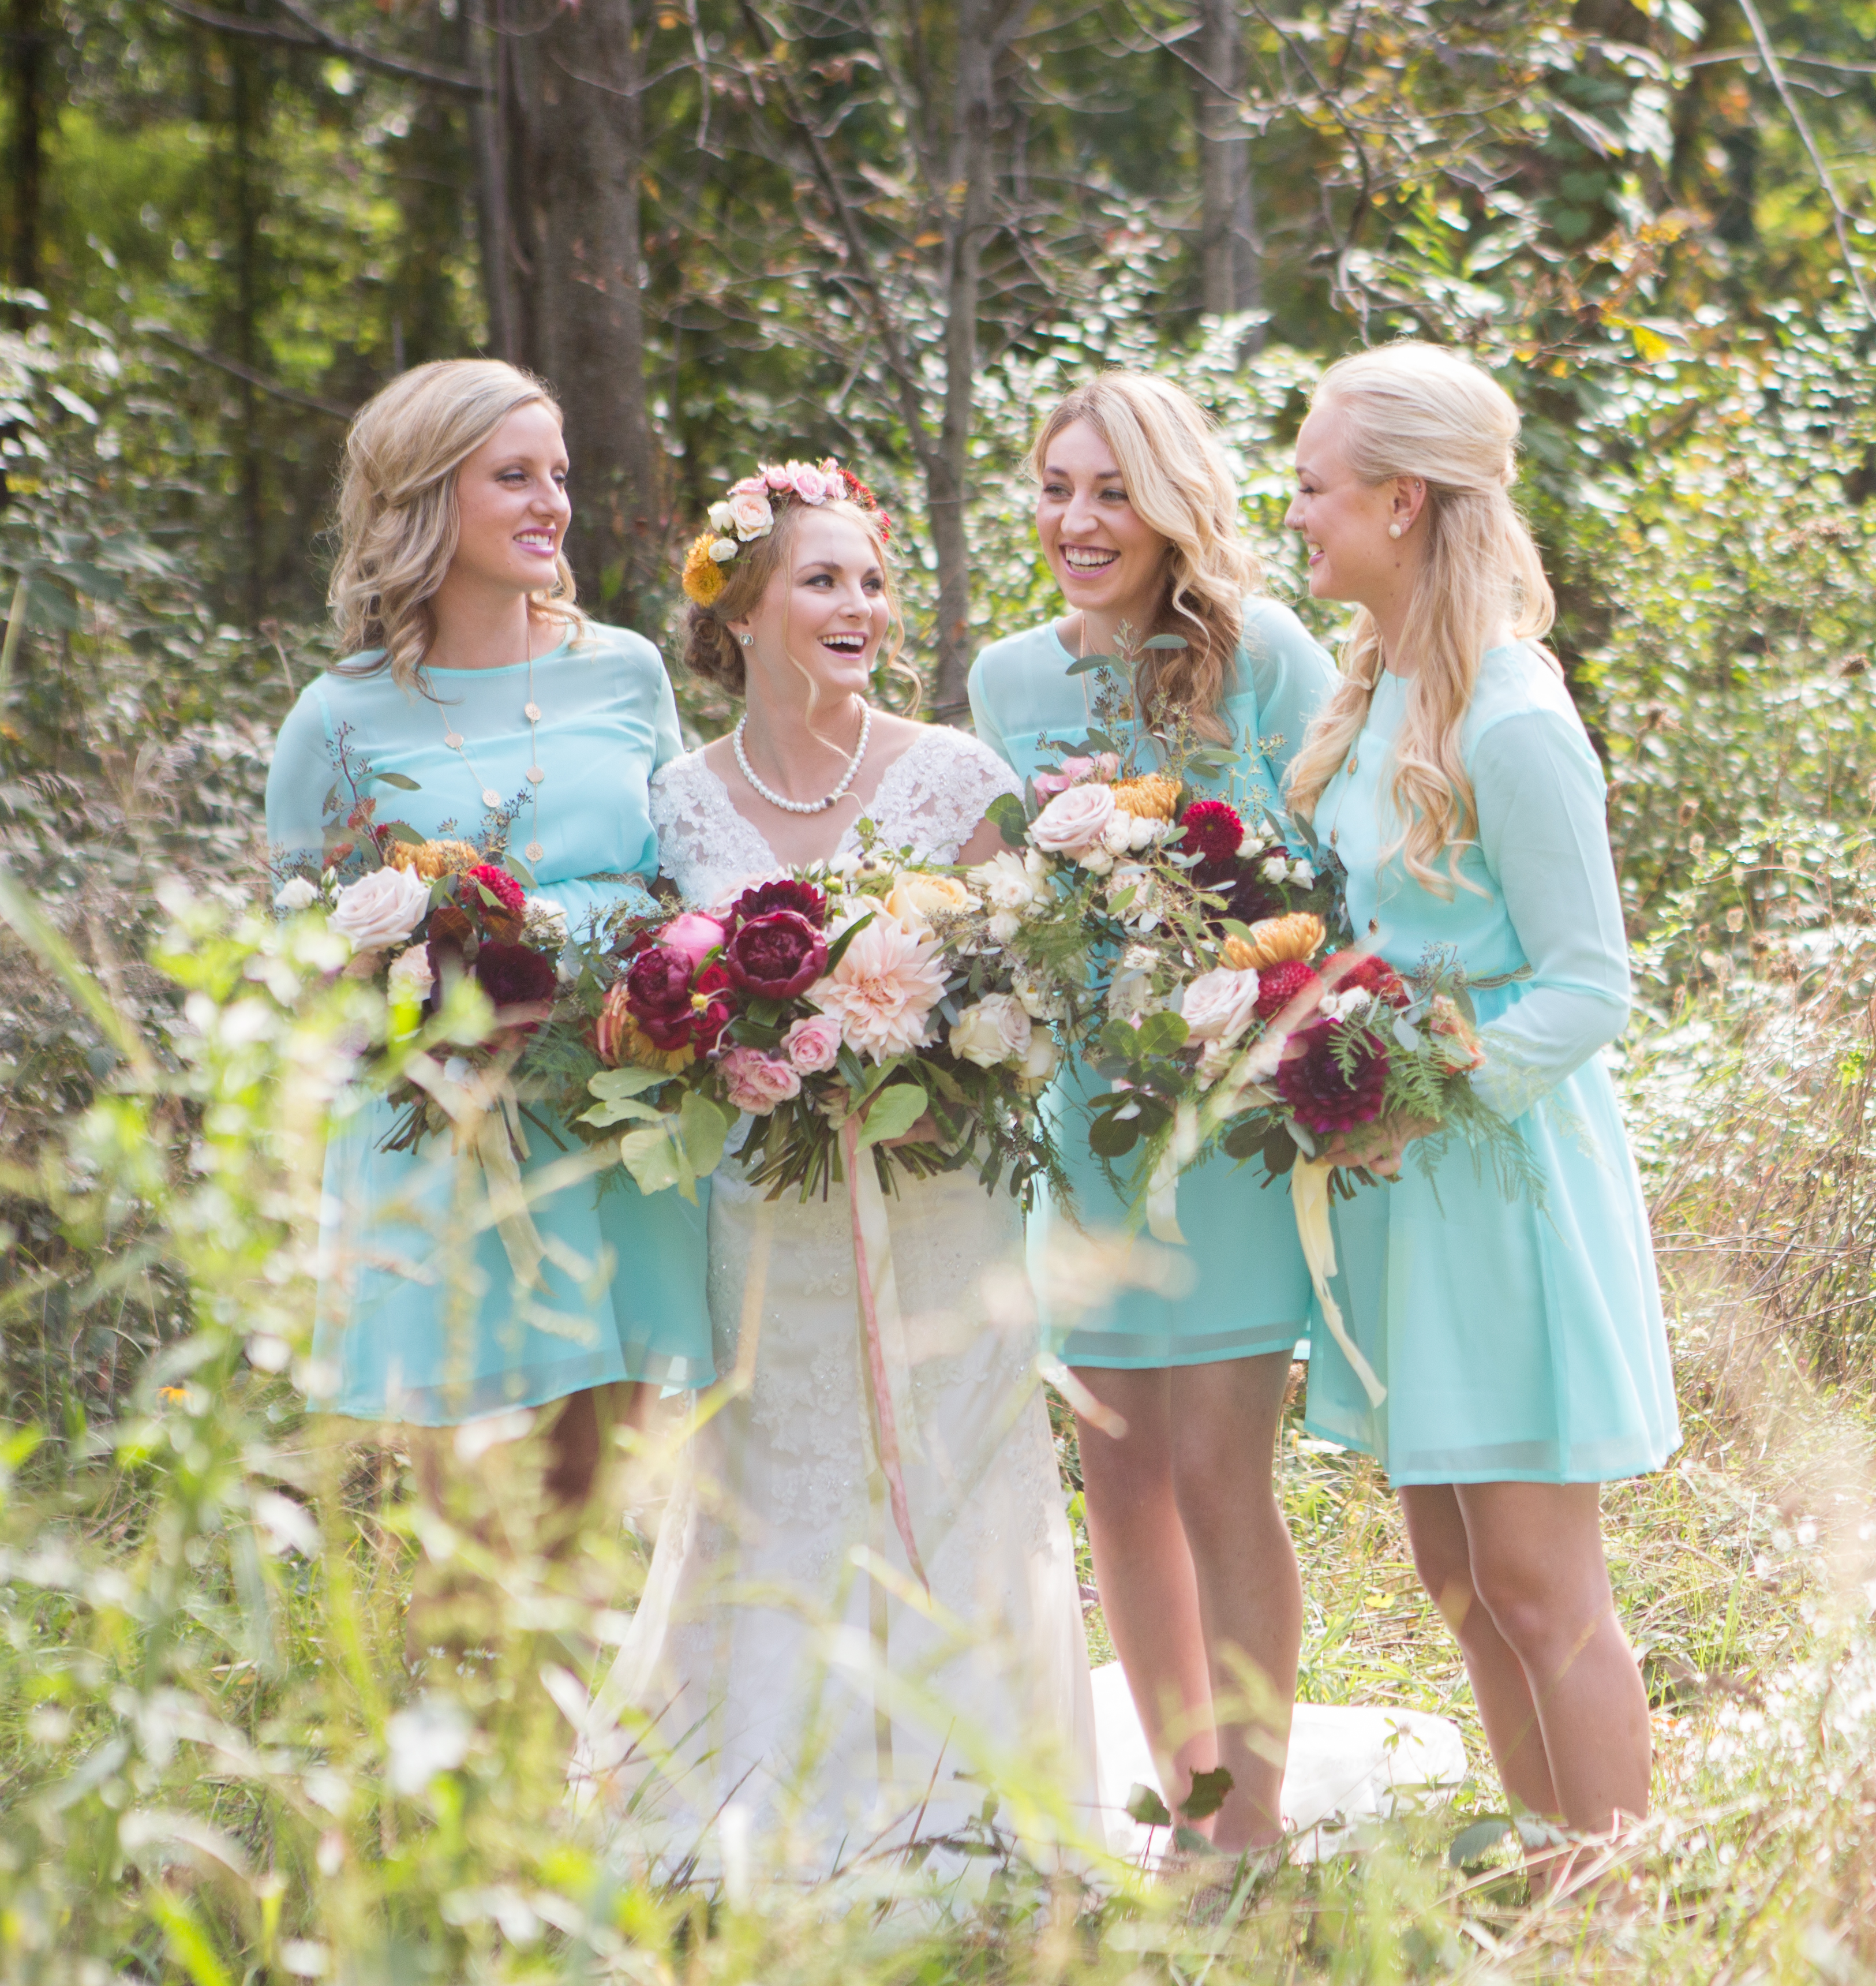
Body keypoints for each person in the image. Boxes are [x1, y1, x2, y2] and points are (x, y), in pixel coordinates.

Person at [617, 462, 1094, 1869]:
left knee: (953, 1455)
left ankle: (973, 1799)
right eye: (822, 579)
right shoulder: (678, 803)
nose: (861, 607)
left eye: (873, 582)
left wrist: (942, 1066)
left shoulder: (957, 778)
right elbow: (666, 1008)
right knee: (775, 1463)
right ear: (741, 612)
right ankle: (762, 1793)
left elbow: (1029, 997)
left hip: (942, 1196)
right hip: (767, 1206)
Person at [1280, 342, 1680, 1876]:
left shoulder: (1511, 718)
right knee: (1453, 1569)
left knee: (1536, 1578)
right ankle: (1551, 1863)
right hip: (1403, 1189)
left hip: (1500, 1174)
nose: (1297, 515)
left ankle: (1621, 1904)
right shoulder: (1380, 688)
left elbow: (1590, 986)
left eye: (1315, 487)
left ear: (1402, 501)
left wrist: (1425, 1091)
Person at [965, 375, 1336, 1849]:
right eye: (1058, 488)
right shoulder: (1009, 681)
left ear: (1173, 503)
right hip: (1085, 1122)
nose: (1078, 520)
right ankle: (1187, 1801)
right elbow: (1002, 893)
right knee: (1119, 1477)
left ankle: (1251, 1818)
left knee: (1217, 1472)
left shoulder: (1270, 658)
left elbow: (1333, 873)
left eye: (1113, 491)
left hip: (1233, 1123)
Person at [264, 358, 712, 1570]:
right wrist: (404, 986)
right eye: (513, 476)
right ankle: (473, 1688)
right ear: (425, 498)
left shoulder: (625, 669)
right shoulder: (335, 719)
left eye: (557, 474)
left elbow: (682, 876)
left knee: (587, 1498)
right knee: (473, 1525)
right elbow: (300, 944)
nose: (550, 502)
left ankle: (578, 1695)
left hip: (611, 1108)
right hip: (445, 1129)